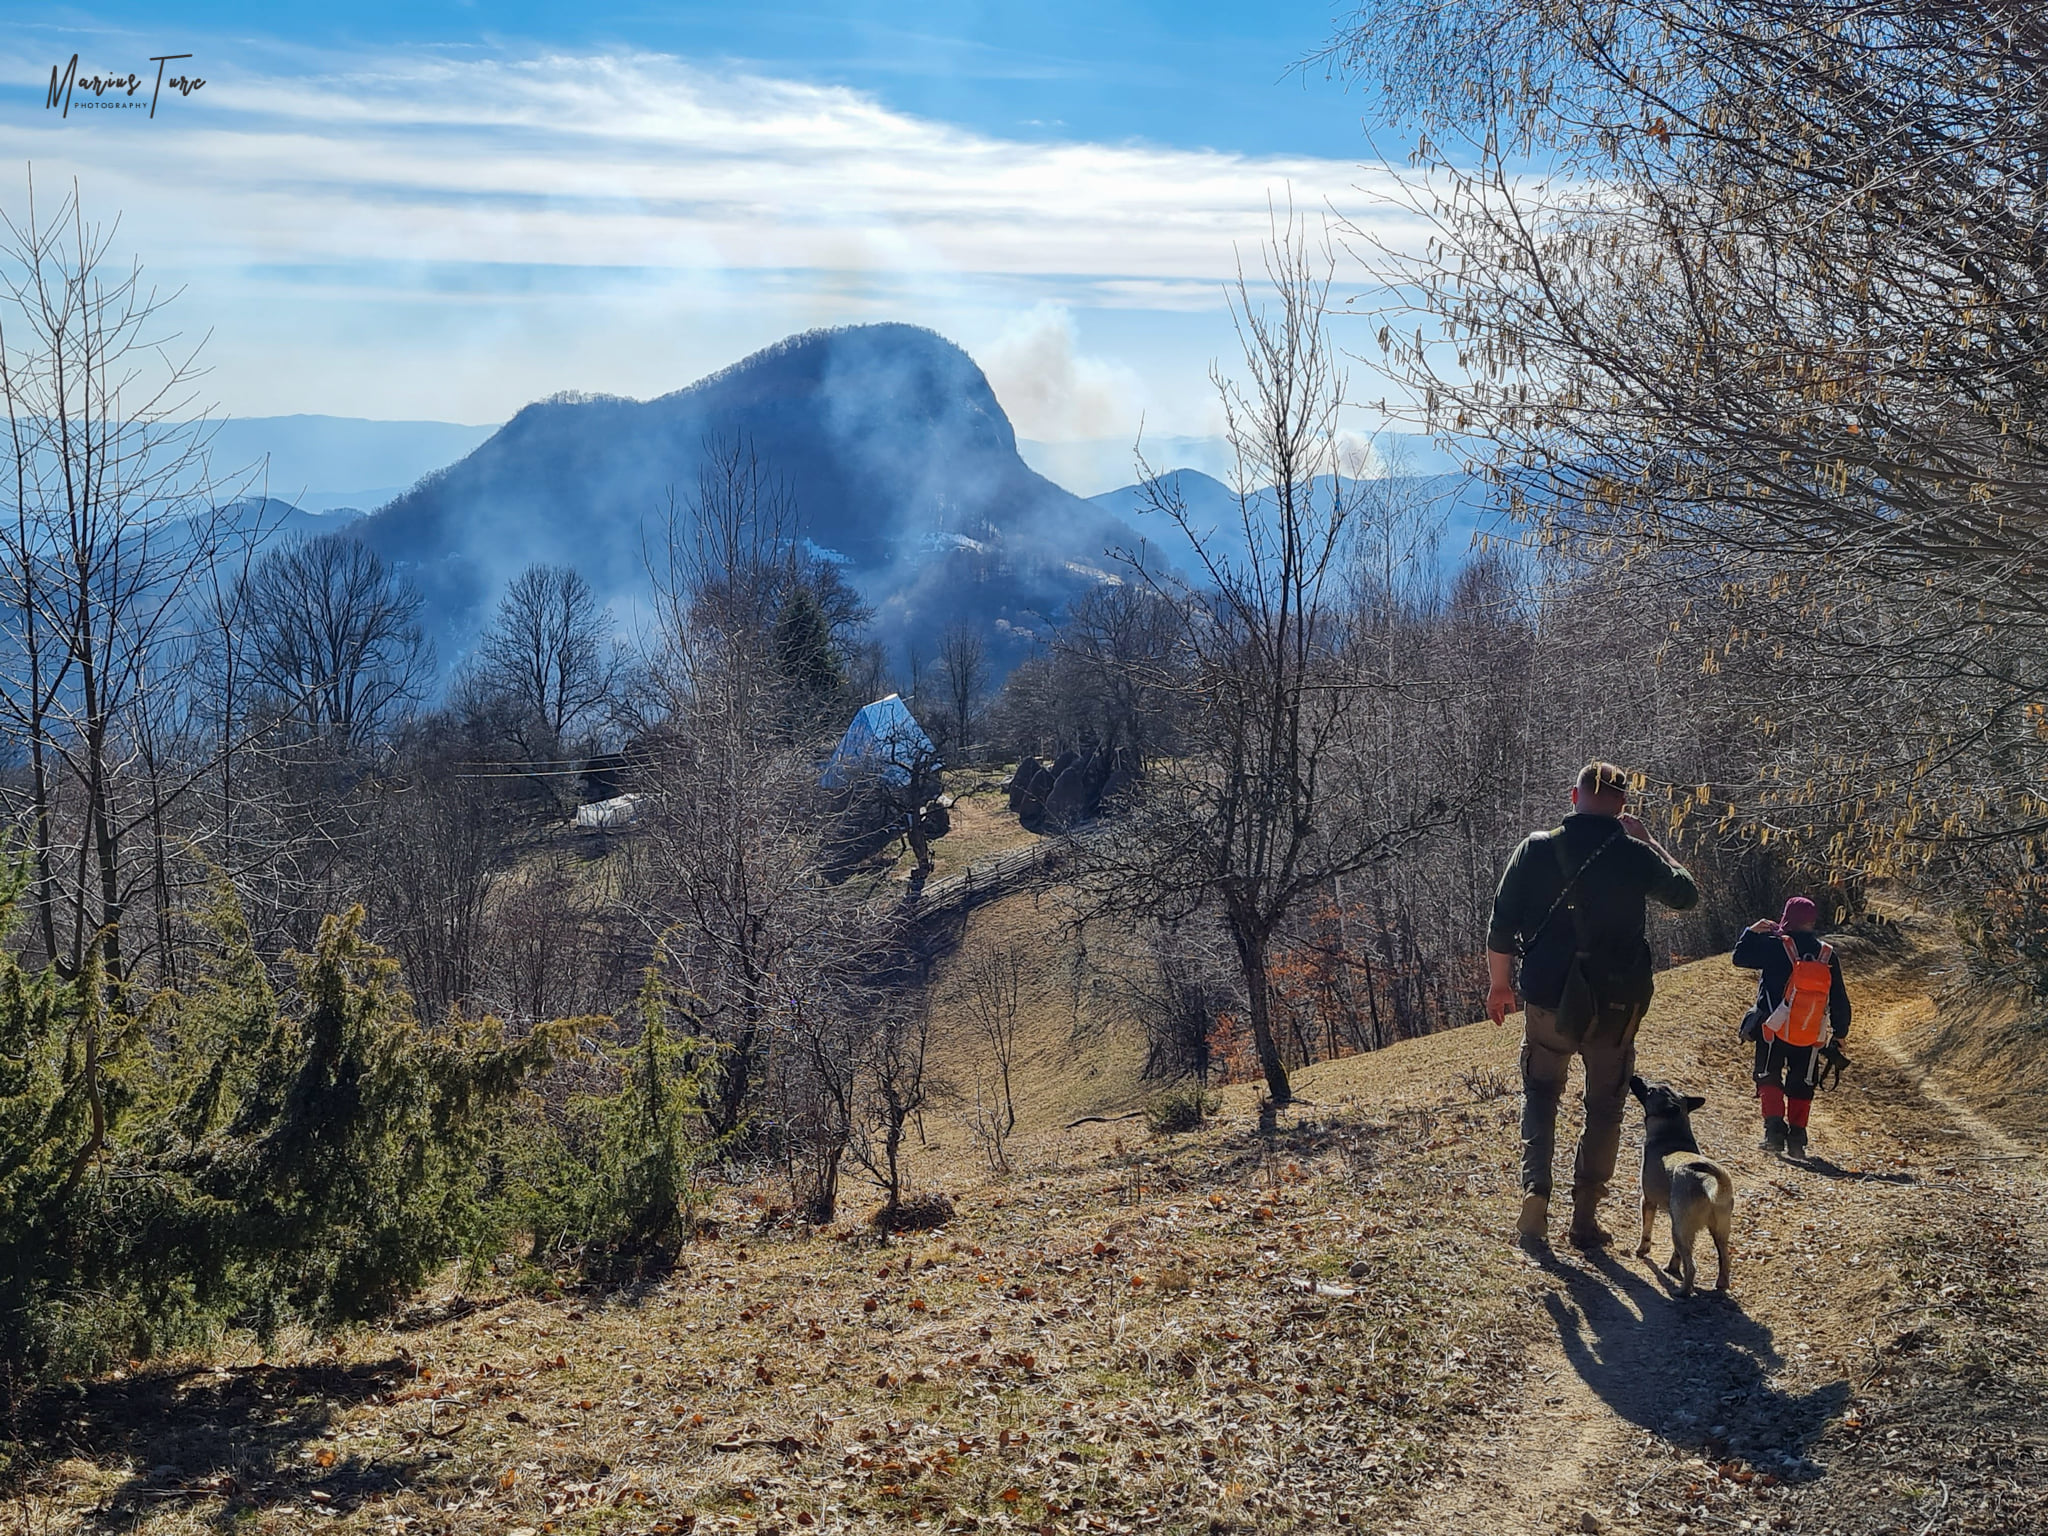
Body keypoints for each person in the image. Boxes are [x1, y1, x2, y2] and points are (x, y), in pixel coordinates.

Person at [1487, 762, 1700, 1249]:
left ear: (1574, 794)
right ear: (1623, 806)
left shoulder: (1536, 848)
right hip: (1615, 1006)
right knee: (1604, 1109)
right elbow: (1686, 894)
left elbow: (1500, 925)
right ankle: (1584, 1218)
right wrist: (1648, 842)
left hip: (1546, 998)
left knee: (1541, 1094)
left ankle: (1536, 1191)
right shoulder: (1633, 854)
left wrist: (1500, 986)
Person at [1734, 897, 1851, 1159]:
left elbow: (1739, 958)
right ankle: (1797, 1140)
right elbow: (1839, 997)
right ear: (1812, 920)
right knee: (1802, 1082)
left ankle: (1774, 1134)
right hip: (1810, 1031)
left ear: (1787, 916)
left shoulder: (1775, 946)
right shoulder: (1826, 953)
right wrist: (1840, 1033)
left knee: (1768, 1077)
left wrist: (1751, 932)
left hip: (1772, 1027)